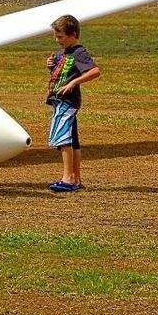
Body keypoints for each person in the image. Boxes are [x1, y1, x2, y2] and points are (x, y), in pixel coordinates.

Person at [46, 14, 100, 192]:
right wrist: (51, 66)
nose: (57, 40)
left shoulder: (79, 52)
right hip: (59, 100)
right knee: (74, 140)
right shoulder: (65, 53)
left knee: (62, 138)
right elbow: (63, 72)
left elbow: (94, 71)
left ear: (73, 34)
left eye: (60, 37)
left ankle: (67, 178)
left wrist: (73, 83)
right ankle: (76, 179)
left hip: (67, 101)